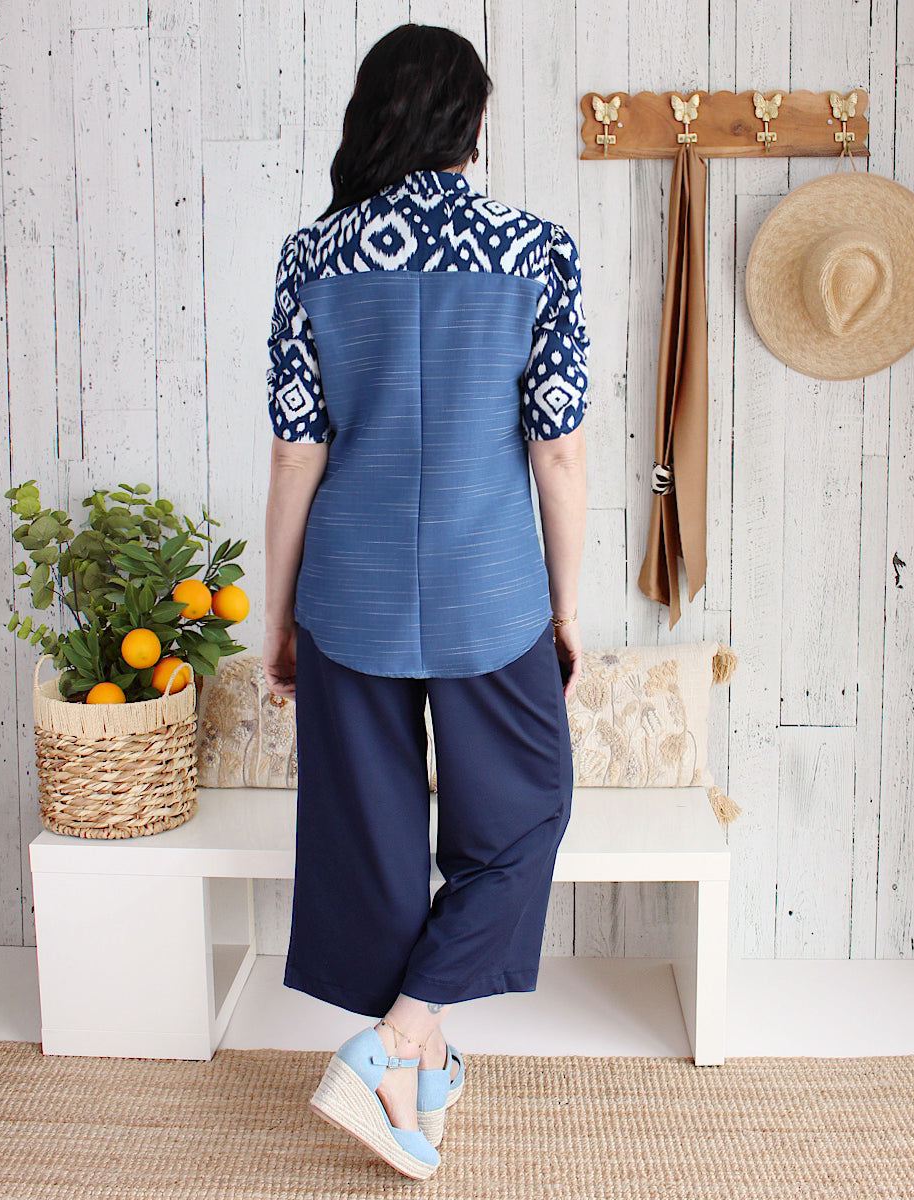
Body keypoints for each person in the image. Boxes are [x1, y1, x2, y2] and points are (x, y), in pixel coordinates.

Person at [262, 23, 589, 1181]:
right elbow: (558, 453)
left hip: (346, 589)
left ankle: (406, 1049)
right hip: (490, 590)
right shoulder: (536, 250)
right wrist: (565, 607)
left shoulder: (312, 256)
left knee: (373, 837)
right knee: (526, 816)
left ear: (375, 113)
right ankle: (405, 1048)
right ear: (472, 121)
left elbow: (295, 454)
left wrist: (277, 614)